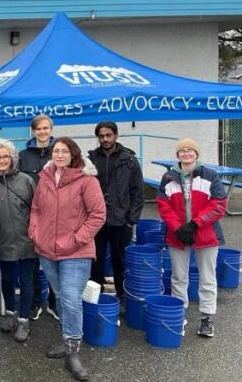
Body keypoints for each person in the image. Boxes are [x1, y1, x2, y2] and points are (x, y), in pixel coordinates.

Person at [29, 137, 105, 381]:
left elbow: (97, 215)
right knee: (61, 296)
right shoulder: (45, 178)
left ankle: (73, 352)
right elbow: (36, 209)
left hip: (76, 251)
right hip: (47, 250)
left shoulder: (87, 180)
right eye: (56, 151)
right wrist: (35, 232)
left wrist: (76, 239)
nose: (59, 155)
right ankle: (66, 338)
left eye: (64, 151)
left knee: (71, 299)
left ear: (73, 154)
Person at [157, 138, 226, 338]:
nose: (186, 153)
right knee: (178, 277)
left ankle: (206, 318)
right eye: (182, 150)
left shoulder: (210, 176)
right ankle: (179, 314)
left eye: (190, 150)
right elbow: (163, 206)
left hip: (205, 234)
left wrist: (195, 224)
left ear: (197, 153)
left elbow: (219, 205)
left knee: (207, 277)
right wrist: (179, 228)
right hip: (177, 235)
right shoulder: (168, 177)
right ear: (177, 155)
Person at [0, 140, 37, 343]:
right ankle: (11, 313)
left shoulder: (26, 181)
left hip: (28, 240)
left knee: (27, 280)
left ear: (13, 158)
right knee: (7, 280)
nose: (2, 160)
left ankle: (23, 320)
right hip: (2, 240)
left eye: (5, 156)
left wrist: (37, 235)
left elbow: (37, 211)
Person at [87, 121, 144, 301]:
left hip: (121, 221)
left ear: (116, 135)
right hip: (96, 221)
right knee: (95, 261)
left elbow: (137, 192)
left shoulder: (129, 160)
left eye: (108, 135)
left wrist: (131, 220)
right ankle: (96, 298)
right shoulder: (90, 160)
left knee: (120, 262)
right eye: (101, 136)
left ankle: (122, 297)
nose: (105, 139)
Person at [17, 114, 58, 320]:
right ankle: (34, 302)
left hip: (55, 216)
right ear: (33, 131)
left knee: (53, 260)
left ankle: (53, 302)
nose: (42, 132)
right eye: (38, 128)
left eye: (46, 128)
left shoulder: (60, 152)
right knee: (31, 262)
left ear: (51, 129)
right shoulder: (23, 156)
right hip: (29, 215)